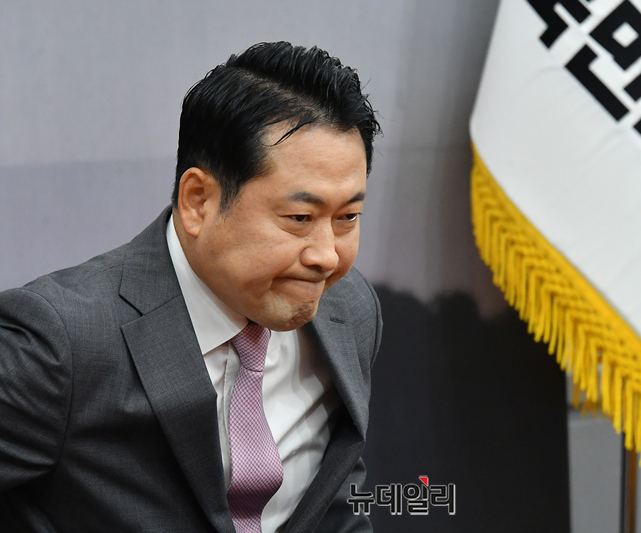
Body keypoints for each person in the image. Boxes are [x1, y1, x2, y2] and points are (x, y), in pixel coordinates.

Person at [0, 41, 382, 533]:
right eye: (299, 218)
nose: (326, 256)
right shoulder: (60, 344)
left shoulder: (348, 310)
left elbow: (334, 502)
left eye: (348, 217)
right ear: (198, 200)